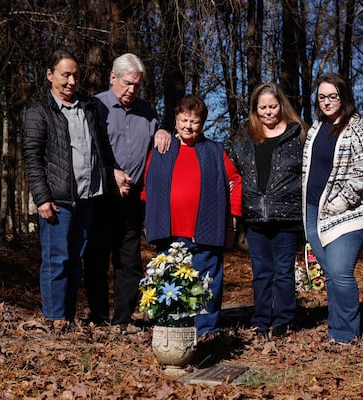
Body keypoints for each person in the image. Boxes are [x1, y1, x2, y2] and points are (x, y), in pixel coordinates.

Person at [22, 49, 111, 330]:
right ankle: (54, 318)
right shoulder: (40, 112)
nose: (71, 81)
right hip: (57, 201)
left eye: (75, 75)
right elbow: (32, 158)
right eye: (65, 75)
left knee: (75, 261)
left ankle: (67, 317)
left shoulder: (87, 108)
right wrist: (42, 198)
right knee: (56, 260)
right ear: (50, 75)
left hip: (86, 198)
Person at [143, 94, 242, 337]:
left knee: (206, 285)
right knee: (170, 285)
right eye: (184, 120)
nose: (188, 126)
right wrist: (149, 218)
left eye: (194, 121)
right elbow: (148, 189)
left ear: (202, 124)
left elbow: (235, 181)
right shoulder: (162, 149)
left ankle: (205, 332)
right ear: (175, 120)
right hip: (170, 233)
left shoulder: (214, 151)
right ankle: (172, 333)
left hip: (205, 232)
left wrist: (233, 220)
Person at [83, 53, 171, 327]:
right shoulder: (95, 106)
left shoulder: (146, 111)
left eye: (137, 85)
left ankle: (122, 320)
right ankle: (98, 317)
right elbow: (86, 150)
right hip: (101, 196)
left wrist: (163, 131)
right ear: (113, 78)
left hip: (132, 199)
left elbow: (158, 141)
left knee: (129, 261)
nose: (132, 89)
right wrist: (110, 174)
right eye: (127, 83)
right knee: (96, 259)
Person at [227, 82, 307, 338]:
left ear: (281, 105)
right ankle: (261, 319)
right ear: (255, 109)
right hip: (254, 216)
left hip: (287, 215)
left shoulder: (299, 134)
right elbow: (230, 166)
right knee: (261, 272)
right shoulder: (244, 134)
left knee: (283, 271)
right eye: (263, 108)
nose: (268, 112)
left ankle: (284, 319)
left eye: (272, 106)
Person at [302, 73, 363, 344]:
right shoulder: (316, 127)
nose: (327, 102)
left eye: (332, 96)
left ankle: (346, 334)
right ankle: (336, 327)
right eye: (322, 97)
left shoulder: (358, 127)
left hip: (348, 211)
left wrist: (343, 199)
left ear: (343, 97)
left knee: (340, 271)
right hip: (314, 209)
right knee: (331, 274)